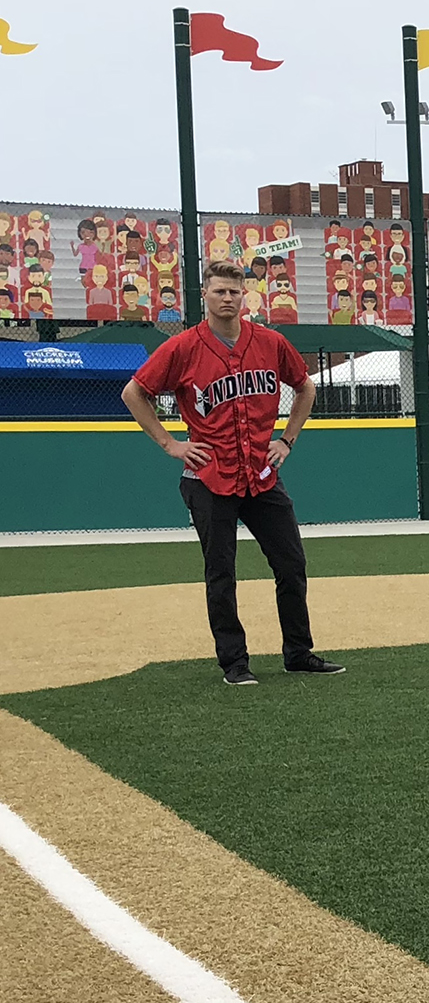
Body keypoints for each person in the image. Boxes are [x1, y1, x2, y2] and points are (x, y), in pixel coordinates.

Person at [119, 259, 344, 685]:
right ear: (204, 295)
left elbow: (305, 387)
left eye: (234, 291)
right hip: (209, 476)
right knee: (221, 572)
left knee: (291, 563)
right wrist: (170, 444)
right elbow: (134, 392)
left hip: (261, 474)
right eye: (219, 291)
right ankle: (234, 663)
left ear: (245, 296)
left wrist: (287, 439)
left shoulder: (270, 342)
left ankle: (299, 652)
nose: (227, 298)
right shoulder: (183, 347)